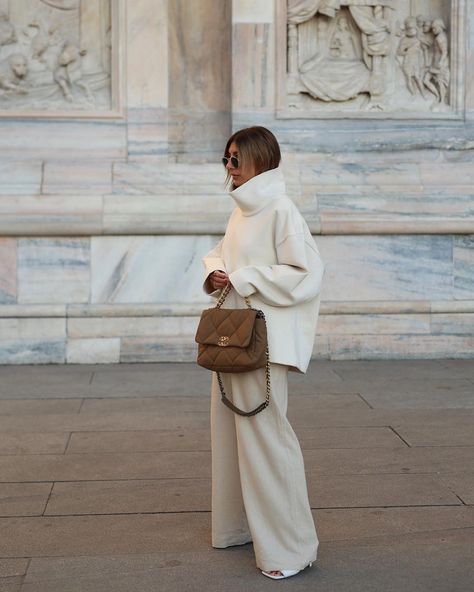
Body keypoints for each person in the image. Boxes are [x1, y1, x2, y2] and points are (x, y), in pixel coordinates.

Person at [201, 126, 325, 580]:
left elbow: (306, 272)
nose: (229, 166)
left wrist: (246, 277)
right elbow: (222, 253)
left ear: (259, 159)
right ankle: (238, 527)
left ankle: (289, 549)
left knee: (267, 438)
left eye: (236, 158)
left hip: (263, 341)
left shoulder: (280, 209)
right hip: (232, 336)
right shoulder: (241, 211)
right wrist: (217, 271)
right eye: (226, 158)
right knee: (231, 434)